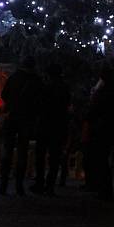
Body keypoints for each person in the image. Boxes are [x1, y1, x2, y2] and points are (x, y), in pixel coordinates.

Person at [0, 56, 42, 196]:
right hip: (26, 119)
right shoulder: (36, 81)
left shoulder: (13, 78)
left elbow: (4, 95)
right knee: (23, 151)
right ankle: (19, 185)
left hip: (11, 117)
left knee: (7, 150)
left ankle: (3, 183)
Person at [30, 63, 71, 197]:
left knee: (41, 156)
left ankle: (40, 183)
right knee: (54, 157)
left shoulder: (46, 87)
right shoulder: (64, 88)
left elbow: (38, 104)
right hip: (58, 125)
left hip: (45, 124)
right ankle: (50, 185)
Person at [83, 63, 114, 200]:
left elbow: (94, 109)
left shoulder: (103, 91)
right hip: (110, 128)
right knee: (103, 158)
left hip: (101, 128)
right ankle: (103, 187)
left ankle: (103, 188)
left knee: (100, 158)